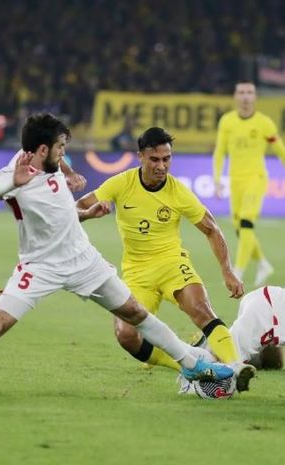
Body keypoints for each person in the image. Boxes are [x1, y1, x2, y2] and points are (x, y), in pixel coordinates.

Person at [0, 113, 233, 400]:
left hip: (82, 259)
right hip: (40, 266)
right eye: (61, 148)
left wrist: (80, 198)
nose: (65, 153)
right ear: (42, 149)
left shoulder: (51, 162)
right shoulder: (16, 173)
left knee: (135, 312)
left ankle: (193, 363)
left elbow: (61, 214)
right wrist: (9, 183)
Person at [76, 127, 256, 392]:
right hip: (137, 272)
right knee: (126, 335)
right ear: (140, 156)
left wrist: (227, 271)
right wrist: (90, 213)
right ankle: (189, 365)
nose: (162, 166)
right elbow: (76, 209)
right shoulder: (121, 183)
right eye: (155, 159)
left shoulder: (178, 192)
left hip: (172, 263)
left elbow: (211, 229)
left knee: (201, 310)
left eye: (166, 159)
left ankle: (236, 366)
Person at [212, 81, 285, 287]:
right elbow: (219, 151)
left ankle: (238, 272)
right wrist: (217, 179)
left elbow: (281, 150)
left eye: (249, 93)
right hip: (236, 180)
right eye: (241, 92)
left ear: (255, 97)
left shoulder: (264, 123)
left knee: (245, 223)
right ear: (235, 96)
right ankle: (262, 263)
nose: (245, 97)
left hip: (256, 178)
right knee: (240, 229)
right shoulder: (227, 121)